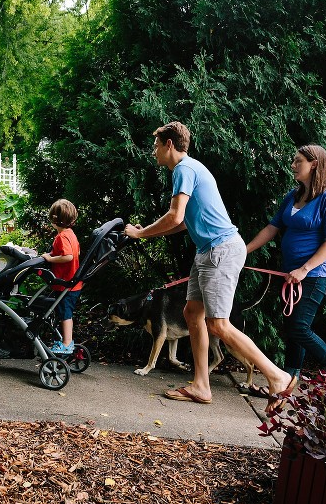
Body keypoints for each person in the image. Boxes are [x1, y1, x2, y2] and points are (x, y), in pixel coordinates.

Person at [124, 121, 293, 413]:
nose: (153, 152)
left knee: (218, 324)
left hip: (220, 250)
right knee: (192, 314)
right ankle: (201, 385)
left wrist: (140, 234)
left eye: (156, 146)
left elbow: (175, 216)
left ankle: (278, 376)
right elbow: (182, 222)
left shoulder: (183, 169)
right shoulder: (188, 170)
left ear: (169, 144)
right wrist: (147, 232)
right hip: (207, 252)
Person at [245, 144, 326, 403]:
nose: (293, 165)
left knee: (299, 327)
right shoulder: (293, 195)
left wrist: (304, 269)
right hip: (291, 276)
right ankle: (287, 383)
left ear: (314, 164)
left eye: (298, 161)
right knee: (293, 331)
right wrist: (243, 251)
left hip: (315, 276)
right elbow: (272, 228)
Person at [42, 199, 83, 354]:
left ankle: (67, 344)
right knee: (65, 312)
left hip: (66, 283)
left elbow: (68, 256)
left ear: (54, 219)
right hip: (73, 284)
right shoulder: (71, 234)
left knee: (65, 314)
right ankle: (67, 342)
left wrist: (50, 259)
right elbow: (76, 252)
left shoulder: (61, 237)